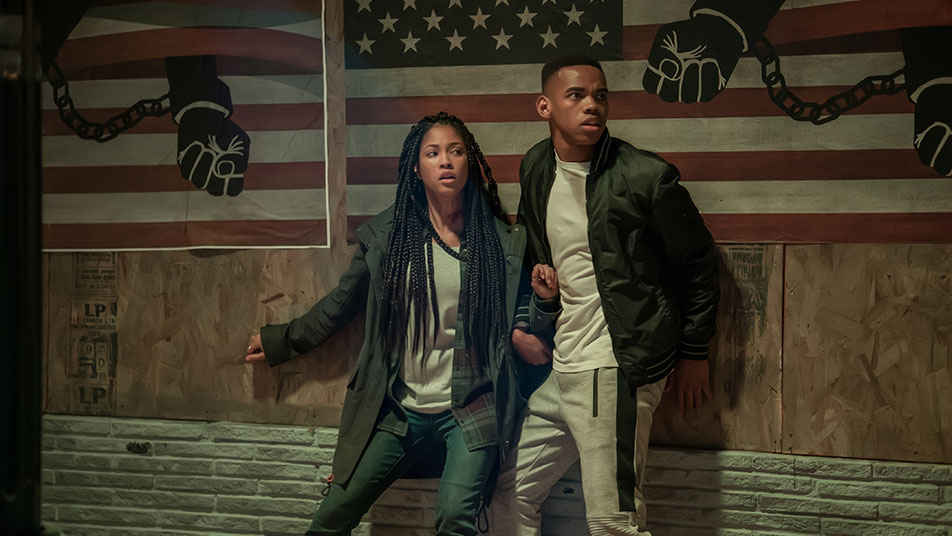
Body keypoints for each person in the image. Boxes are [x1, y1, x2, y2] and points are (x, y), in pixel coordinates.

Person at [245, 112, 551, 536]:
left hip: (471, 407)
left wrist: (540, 311)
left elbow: (521, 314)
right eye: (433, 153)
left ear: (469, 163)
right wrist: (283, 340)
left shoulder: (500, 242)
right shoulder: (390, 237)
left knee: (455, 517)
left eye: (455, 151)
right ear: (416, 168)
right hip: (399, 410)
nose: (446, 161)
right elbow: (341, 303)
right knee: (332, 514)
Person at [493, 56, 721, 535]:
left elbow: (699, 264)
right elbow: (542, 259)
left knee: (612, 523)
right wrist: (543, 306)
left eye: (600, 96)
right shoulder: (537, 167)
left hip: (615, 366)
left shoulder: (645, 177)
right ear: (544, 107)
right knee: (509, 495)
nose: (592, 105)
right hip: (563, 365)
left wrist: (694, 351)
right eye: (576, 95)